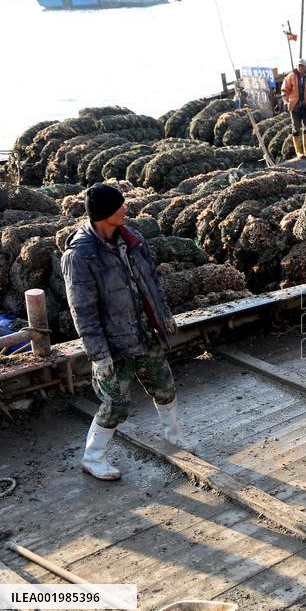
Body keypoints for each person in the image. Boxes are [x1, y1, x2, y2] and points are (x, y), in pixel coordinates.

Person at [62, 184, 188, 481]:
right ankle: (93, 458)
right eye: (120, 205)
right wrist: (99, 356)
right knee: (116, 404)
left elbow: (152, 282)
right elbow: (83, 311)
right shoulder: (80, 256)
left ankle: (175, 439)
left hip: (144, 331)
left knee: (164, 386)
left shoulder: (133, 240)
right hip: (113, 344)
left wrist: (164, 314)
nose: (126, 209)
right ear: (105, 214)